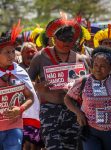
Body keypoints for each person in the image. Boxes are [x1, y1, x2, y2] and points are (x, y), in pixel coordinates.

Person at [28, 17, 89, 150]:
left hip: (73, 110)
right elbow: (27, 82)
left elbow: (89, 84)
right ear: (54, 39)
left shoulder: (80, 59)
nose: (67, 42)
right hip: (49, 110)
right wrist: (38, 86)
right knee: (53, 146)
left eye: (70, 39)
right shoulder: (40, 57)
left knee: (71, 147)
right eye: (63, 39)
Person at [0, 21, 35, 150]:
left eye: (12, 51)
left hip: (14, 128)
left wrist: (19, 109)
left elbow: (30, 97)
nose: (11, 56)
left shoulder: (18, 72)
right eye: (6, 52)